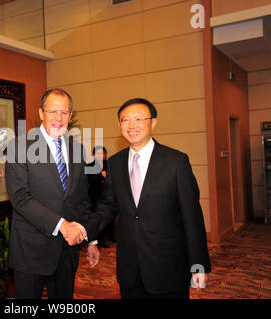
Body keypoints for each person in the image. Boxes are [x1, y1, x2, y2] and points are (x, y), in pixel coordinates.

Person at [83, 98, 211, 299]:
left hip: (168, 268)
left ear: (153, 122)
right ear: (119, 124)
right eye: (125, 120)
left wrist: (199, 265)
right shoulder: (115, 164)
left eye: (139, 119)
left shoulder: (176, 162)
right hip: (130, 270)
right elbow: (107, 205)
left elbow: (192, 216)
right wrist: (88, 232)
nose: (131, 125)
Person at [5, 88, 91, 299]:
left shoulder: (77, 150)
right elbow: (20, 198)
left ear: (70, 116)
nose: (58, 118)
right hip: (31, 250)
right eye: (52, 111)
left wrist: (92, 239)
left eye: (64, 112)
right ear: (41, 113)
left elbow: (81, 199)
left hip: (67, 251)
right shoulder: (19, 147)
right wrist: (62, 225)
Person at [87, 146, 115, 248]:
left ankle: (111, 237)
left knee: (110, 218)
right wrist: (101, 176)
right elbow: (89, 181)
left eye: (102, 153)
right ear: (93, 155)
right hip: (94, 197)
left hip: (109, 197)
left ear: (105, 154)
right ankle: (98, 241)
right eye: (97, 154)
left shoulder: (111, 165)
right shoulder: (89, 166)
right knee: (97, 219)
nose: (100, 156)